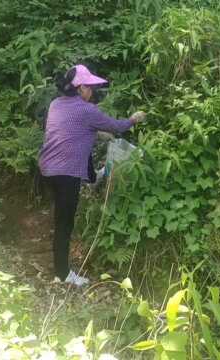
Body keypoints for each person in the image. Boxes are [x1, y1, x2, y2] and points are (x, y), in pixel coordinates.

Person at [38, 64, 145, 286]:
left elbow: (70, 133)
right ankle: (63, 274)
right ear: (81, 88)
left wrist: (96, 133)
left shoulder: (56, 104)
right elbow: (117, 126)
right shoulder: (87, 110)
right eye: (90, 87)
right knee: (64, 224)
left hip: (47, 170)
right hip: (66, 173)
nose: (92, 92)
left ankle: (92, 178)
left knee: (60, 219)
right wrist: (134, 119)